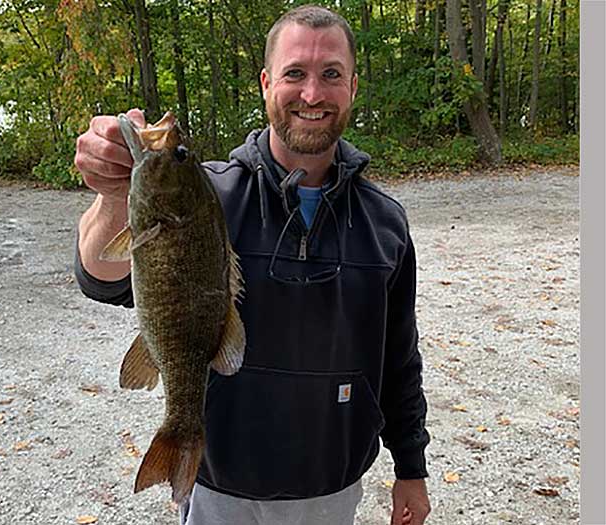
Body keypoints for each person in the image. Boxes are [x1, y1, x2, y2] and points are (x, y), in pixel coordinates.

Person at [73, 5, 431, 525]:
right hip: (218, 489)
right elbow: (101, 279)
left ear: (352, 86)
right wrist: (111, 195)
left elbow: (399, 359)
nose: (312, 94)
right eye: (294, 74)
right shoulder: (208, 197)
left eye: (330, 74)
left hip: (330, 491)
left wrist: (411, 469)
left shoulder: (385, 224)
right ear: (266, 84)